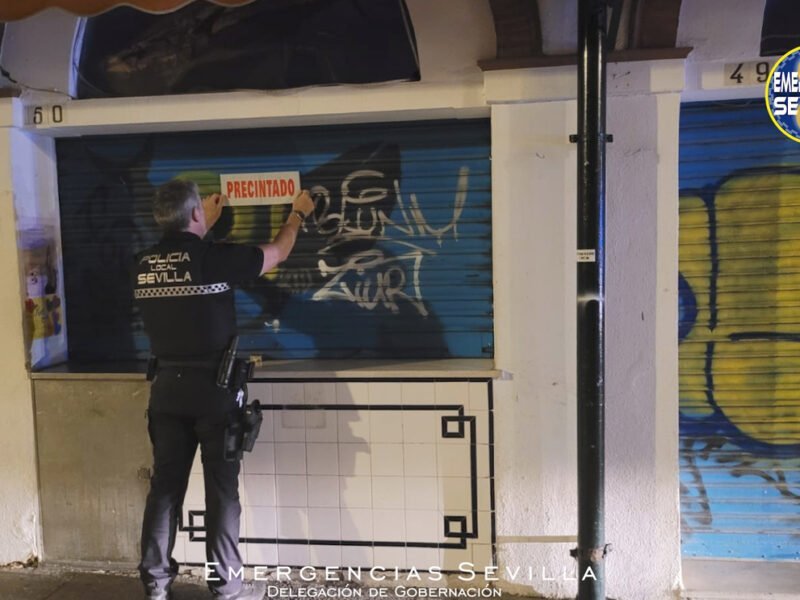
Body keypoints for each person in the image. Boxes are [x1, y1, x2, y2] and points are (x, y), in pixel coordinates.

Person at [133, 180, 314, 600]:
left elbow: (181, 267)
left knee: (164, 489)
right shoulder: (214, 260)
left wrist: (203, 227)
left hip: (165, 393)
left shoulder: (141, 263)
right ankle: (227, 586)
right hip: (214, 392)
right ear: (197, 213)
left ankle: (155, 585)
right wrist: (298, 213)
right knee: (221, 491)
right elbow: (278, 252)